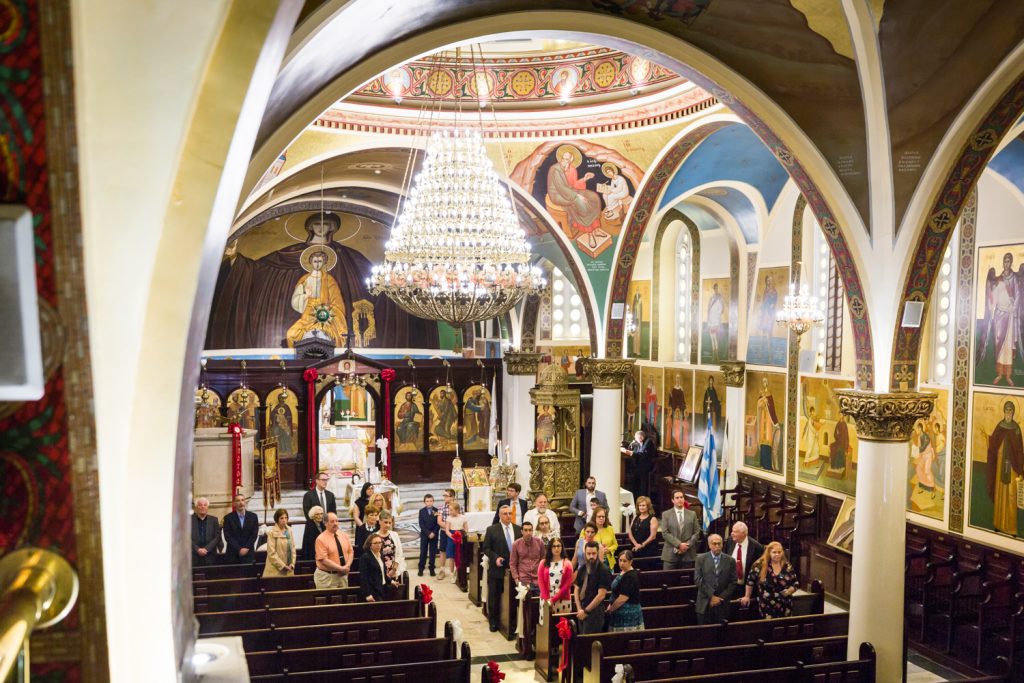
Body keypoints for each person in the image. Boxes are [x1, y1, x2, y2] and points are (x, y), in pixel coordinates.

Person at [978, 253, 1023, 385]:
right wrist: (989, 291)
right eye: (1005, 261)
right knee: (999, 344)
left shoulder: (1014, 277)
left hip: (1009, 316)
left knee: (1008, 346)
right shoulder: (998, 279)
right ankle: (999, 374)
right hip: (999, 315)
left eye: (1009, 261)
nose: (1007, 264)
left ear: (1011, 263)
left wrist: (1013, 308)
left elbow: (1019, 294)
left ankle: (1008, 375)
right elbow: (993, 297)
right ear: (1002, 263)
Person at [546, 146, 602, 247]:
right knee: (581, 204)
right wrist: (577, 196)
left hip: (570, 192)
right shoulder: (555, 169)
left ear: (571, 160)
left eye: (567, 159)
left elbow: (573, 186)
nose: (565, 161)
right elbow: (561, 188)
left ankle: (596, 229)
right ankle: (590, 234)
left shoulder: (572, 169)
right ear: (560, 158)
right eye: (563, 158)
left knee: (593, 197)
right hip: (558, 195)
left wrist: (584, 179)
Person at [481, 505, 522, 632]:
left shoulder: (518, 529)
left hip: (515, 569)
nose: (508, 516)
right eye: (505, 513)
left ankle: (513, 622)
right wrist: (495, 558)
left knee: (514, 596)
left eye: (510, 513)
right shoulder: (492, 529)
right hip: (497, 568)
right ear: (500, 515)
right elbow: (486, 548)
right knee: (495, 595)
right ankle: (493, 621)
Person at [986, 400, 1024, 535]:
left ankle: (1011, 528)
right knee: (1000, 494)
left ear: (1013, 413)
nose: (1008, 414)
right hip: (1000, 466)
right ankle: (998, 524)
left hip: (1012, 468)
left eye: (1011, 411)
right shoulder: (1000, 426)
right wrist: (988, 440)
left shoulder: (1016, 429)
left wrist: (1020, 470)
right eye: (1007, 411)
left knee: (1011, 496)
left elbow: (1019, 450)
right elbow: (994, 443)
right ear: (1004, 412)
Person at [740, 541, 800, 618]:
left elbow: (795, 583)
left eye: (779, 552)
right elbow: (750, 582)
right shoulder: (759, 565)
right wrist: (747, 596)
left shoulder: (787, 565)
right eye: (774, 552)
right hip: (766, 605)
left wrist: (790, 590)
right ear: (769, 553)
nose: (777, 554)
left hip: (785, 604)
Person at [694, 534, 737, 624]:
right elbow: (698, 579)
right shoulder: (700, 559)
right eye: (714, 544)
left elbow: (733, 582)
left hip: (722, 604)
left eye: (719, 544)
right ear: (709, 545)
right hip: (704, 603)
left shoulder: (730, 560)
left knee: (721, 634)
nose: (717, 546)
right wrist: (712, 596)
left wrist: (720, 598)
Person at [574, 541, 613, 634]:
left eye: (594, 553)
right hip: (582, 609)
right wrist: (579, 609)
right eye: (589, 554)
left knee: (590, 641)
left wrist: (586, 611)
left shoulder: (603, 570)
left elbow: (601, 595)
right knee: (582, 639)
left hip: (595, 611)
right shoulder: (582, 568)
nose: (591, 556)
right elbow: (576, 590)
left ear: (598, 553)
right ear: (585, 553)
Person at [660, 490, 700, 569]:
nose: (680, 499)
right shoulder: (666, 514)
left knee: (686, 580)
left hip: (688, 554)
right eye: (677, 498)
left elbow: (697, 533)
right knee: (668, 579)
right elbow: (665, 533)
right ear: (672, 500)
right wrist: (679, 545)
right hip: (670, 555)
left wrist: (686, 546)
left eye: (681, 497)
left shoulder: (692, 514)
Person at [313, 512, 354, 588]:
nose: (335, 523)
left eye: (336, 521)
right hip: (327, 577)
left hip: (343, 575)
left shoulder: (343, 535)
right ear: (325, 523)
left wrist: (347, 566)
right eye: (332, 521)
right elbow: (323, 560)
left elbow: (350, 551)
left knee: (344, 598)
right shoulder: (321, 539)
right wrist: (341, 568)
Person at [606, 550, 643, 632]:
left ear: (631, 562)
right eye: (620, 560)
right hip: (618, 610)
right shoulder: (623, 572)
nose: (622, 563)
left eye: (624, 561)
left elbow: (623, 598)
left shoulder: (630, 576)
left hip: (628, 613)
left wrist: (611, 609)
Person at [723, 521, 764, 592]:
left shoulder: (757, 547)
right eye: (732, 531)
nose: (732, 533)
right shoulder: (729, 541)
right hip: (730, 585)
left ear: (743, 533)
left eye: (735, 532)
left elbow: (759, 569)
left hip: (746, 588)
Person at [538, 538, 574, 614]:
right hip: (546, 599)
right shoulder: (543, 563)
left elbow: (567, 584)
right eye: (554, 546)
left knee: (562, 624)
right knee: (546, 624)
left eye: (558, 546)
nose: (556, 548)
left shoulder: (567, 564)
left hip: (562, 599)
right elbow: (541, 582)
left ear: (562, 547)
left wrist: (553, 599)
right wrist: (547, 599)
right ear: (550, 548)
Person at [222, 494, 259, 564]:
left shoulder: (253, 517)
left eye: (242, 500)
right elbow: (228, 536)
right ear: (234, 504)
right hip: (233, 554)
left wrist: (246, 548)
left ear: (245, 502)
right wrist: (239, 549)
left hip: (248, 553)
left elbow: (254, 534)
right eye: (238, 501)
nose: (241, 503)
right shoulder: (228, 518)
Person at [755, 376, 781, 471]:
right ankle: (762, 463)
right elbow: (759, 406)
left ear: (767, 383)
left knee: (768, 441)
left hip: (769, 421)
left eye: (765, 382)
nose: (764, 383)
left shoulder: (769, 395)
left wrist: (766, 402)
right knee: (762, 440)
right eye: (763, 382)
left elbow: (772, 409)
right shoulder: (762, 395)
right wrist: (762, 401)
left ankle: (768, 465)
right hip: (763, 419)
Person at [358, 534, 394, 602]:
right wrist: (368, 594)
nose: (378, 545)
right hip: (373, 591)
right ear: (370, 545)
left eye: (380, 542)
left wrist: (391, 581)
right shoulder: (365, 557)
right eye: (375, 543)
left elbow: (382, 573)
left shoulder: (381, 555)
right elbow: (363, 577)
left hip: (383, 588)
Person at [510, 521, 545, 588]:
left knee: (539, 598)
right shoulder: (516, 544)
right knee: (525, 598)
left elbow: (543, 560)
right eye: (525, 530)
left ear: (532, 531)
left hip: (538, 578)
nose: (528, 533)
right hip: (523, 579)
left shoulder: (539, 542)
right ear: (521, 531)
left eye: (530, 530)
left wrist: (543, 575)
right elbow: (512, 563)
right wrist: (516, 578)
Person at [622, 429, 656, 498]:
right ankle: (634, 495)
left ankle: (641, 496)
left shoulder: (648, 442)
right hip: (639, 465)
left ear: (641, 437)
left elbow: (643, 454)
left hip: (647, 465)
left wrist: (632, 453)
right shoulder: (639, 443)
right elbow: (636, 452)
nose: (636, 440)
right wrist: (629, 449)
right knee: (632, 474)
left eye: (636, 439)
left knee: (637, 474)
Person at [264, 508, 296, 577]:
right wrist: (283, 566)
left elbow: (293, 548)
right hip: (275, 570)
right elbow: (271, 553)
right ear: (277, 519)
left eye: (286, 518)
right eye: (281, 518)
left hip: (289, 568)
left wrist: (292, 564)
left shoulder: (289, 530)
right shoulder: (272, 532)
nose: (284, 520)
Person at [442, 501, 468, 583]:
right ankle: (452, 574)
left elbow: (466, 529)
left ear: (457, 510)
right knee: (452, 557)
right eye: (449, 510)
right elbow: (447, 531)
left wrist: (462, 536)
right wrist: (453, 537)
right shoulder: (449, 518)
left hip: (461, 536)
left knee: (460, 556)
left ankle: (459, 573)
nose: (450, 512)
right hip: (452, 538)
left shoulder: (463, 517)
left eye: (451, 510)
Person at [191, 497, 221, 566]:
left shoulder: (214, 520)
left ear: (207, 507)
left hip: (210, 556)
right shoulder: (189, 520)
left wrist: (206, 549)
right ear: (196, 507)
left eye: (205, 505)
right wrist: (197, 549)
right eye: (200, 505)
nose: (202, 507)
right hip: (194, 556)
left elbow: (217, 537)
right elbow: (186, 537)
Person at [377, 510, 405, 581]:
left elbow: (399, 553)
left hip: (394, 570)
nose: (388, 525)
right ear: (380, 521)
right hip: (379, 572)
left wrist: (394, 569)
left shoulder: (394, 535)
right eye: (385, 522)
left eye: (390, 523)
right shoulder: (374, 536)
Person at [588, 506, 618, 570]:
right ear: (594, 517)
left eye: (603, 516)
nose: (601, 518)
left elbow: (615, 544)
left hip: (608, 561)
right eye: (599, 516)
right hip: (593, 561)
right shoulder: (588, 529)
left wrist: (609, 549)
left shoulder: (610, 529)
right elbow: (583, 544)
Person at [418, 493, 440, 577]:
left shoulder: (436, 511)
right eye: (427, 501)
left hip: (434, 535)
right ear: (424, 502)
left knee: (432, 552)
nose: (429, 503)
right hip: (424, 535)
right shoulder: (421, 511)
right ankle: (421, 568)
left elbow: (438, 524)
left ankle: (432, 568)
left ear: (433, 501)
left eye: (431, 501)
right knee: (423, 551)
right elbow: (421, 524)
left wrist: (433, 532)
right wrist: (428, 533)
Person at [437, 488, 454, 579]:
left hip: (455, 533)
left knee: (453, 551)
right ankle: (442, 570)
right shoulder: (441, 507)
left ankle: (453, 571)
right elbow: (439, 521)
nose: (444, 497)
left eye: (446, 496)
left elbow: (461, 519)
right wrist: (449, 527)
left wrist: (453, 528)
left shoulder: (459, 507)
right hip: (444, 532)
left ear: (452, 497)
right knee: (442, 550)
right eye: (444, 495)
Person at [706, 282, 725, 361]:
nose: (716, 289)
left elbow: (722, 308)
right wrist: (708, 318)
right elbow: (708, 308)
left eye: (717, 288)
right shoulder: (711, 297)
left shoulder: (720, 297)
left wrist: (718, 317)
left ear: (718, 288)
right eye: (715, 288)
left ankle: (717, 357)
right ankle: (714, 357)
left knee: (715, 339)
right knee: (712, 339)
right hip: (711, 320)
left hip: (716, 320)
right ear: (713, 289)